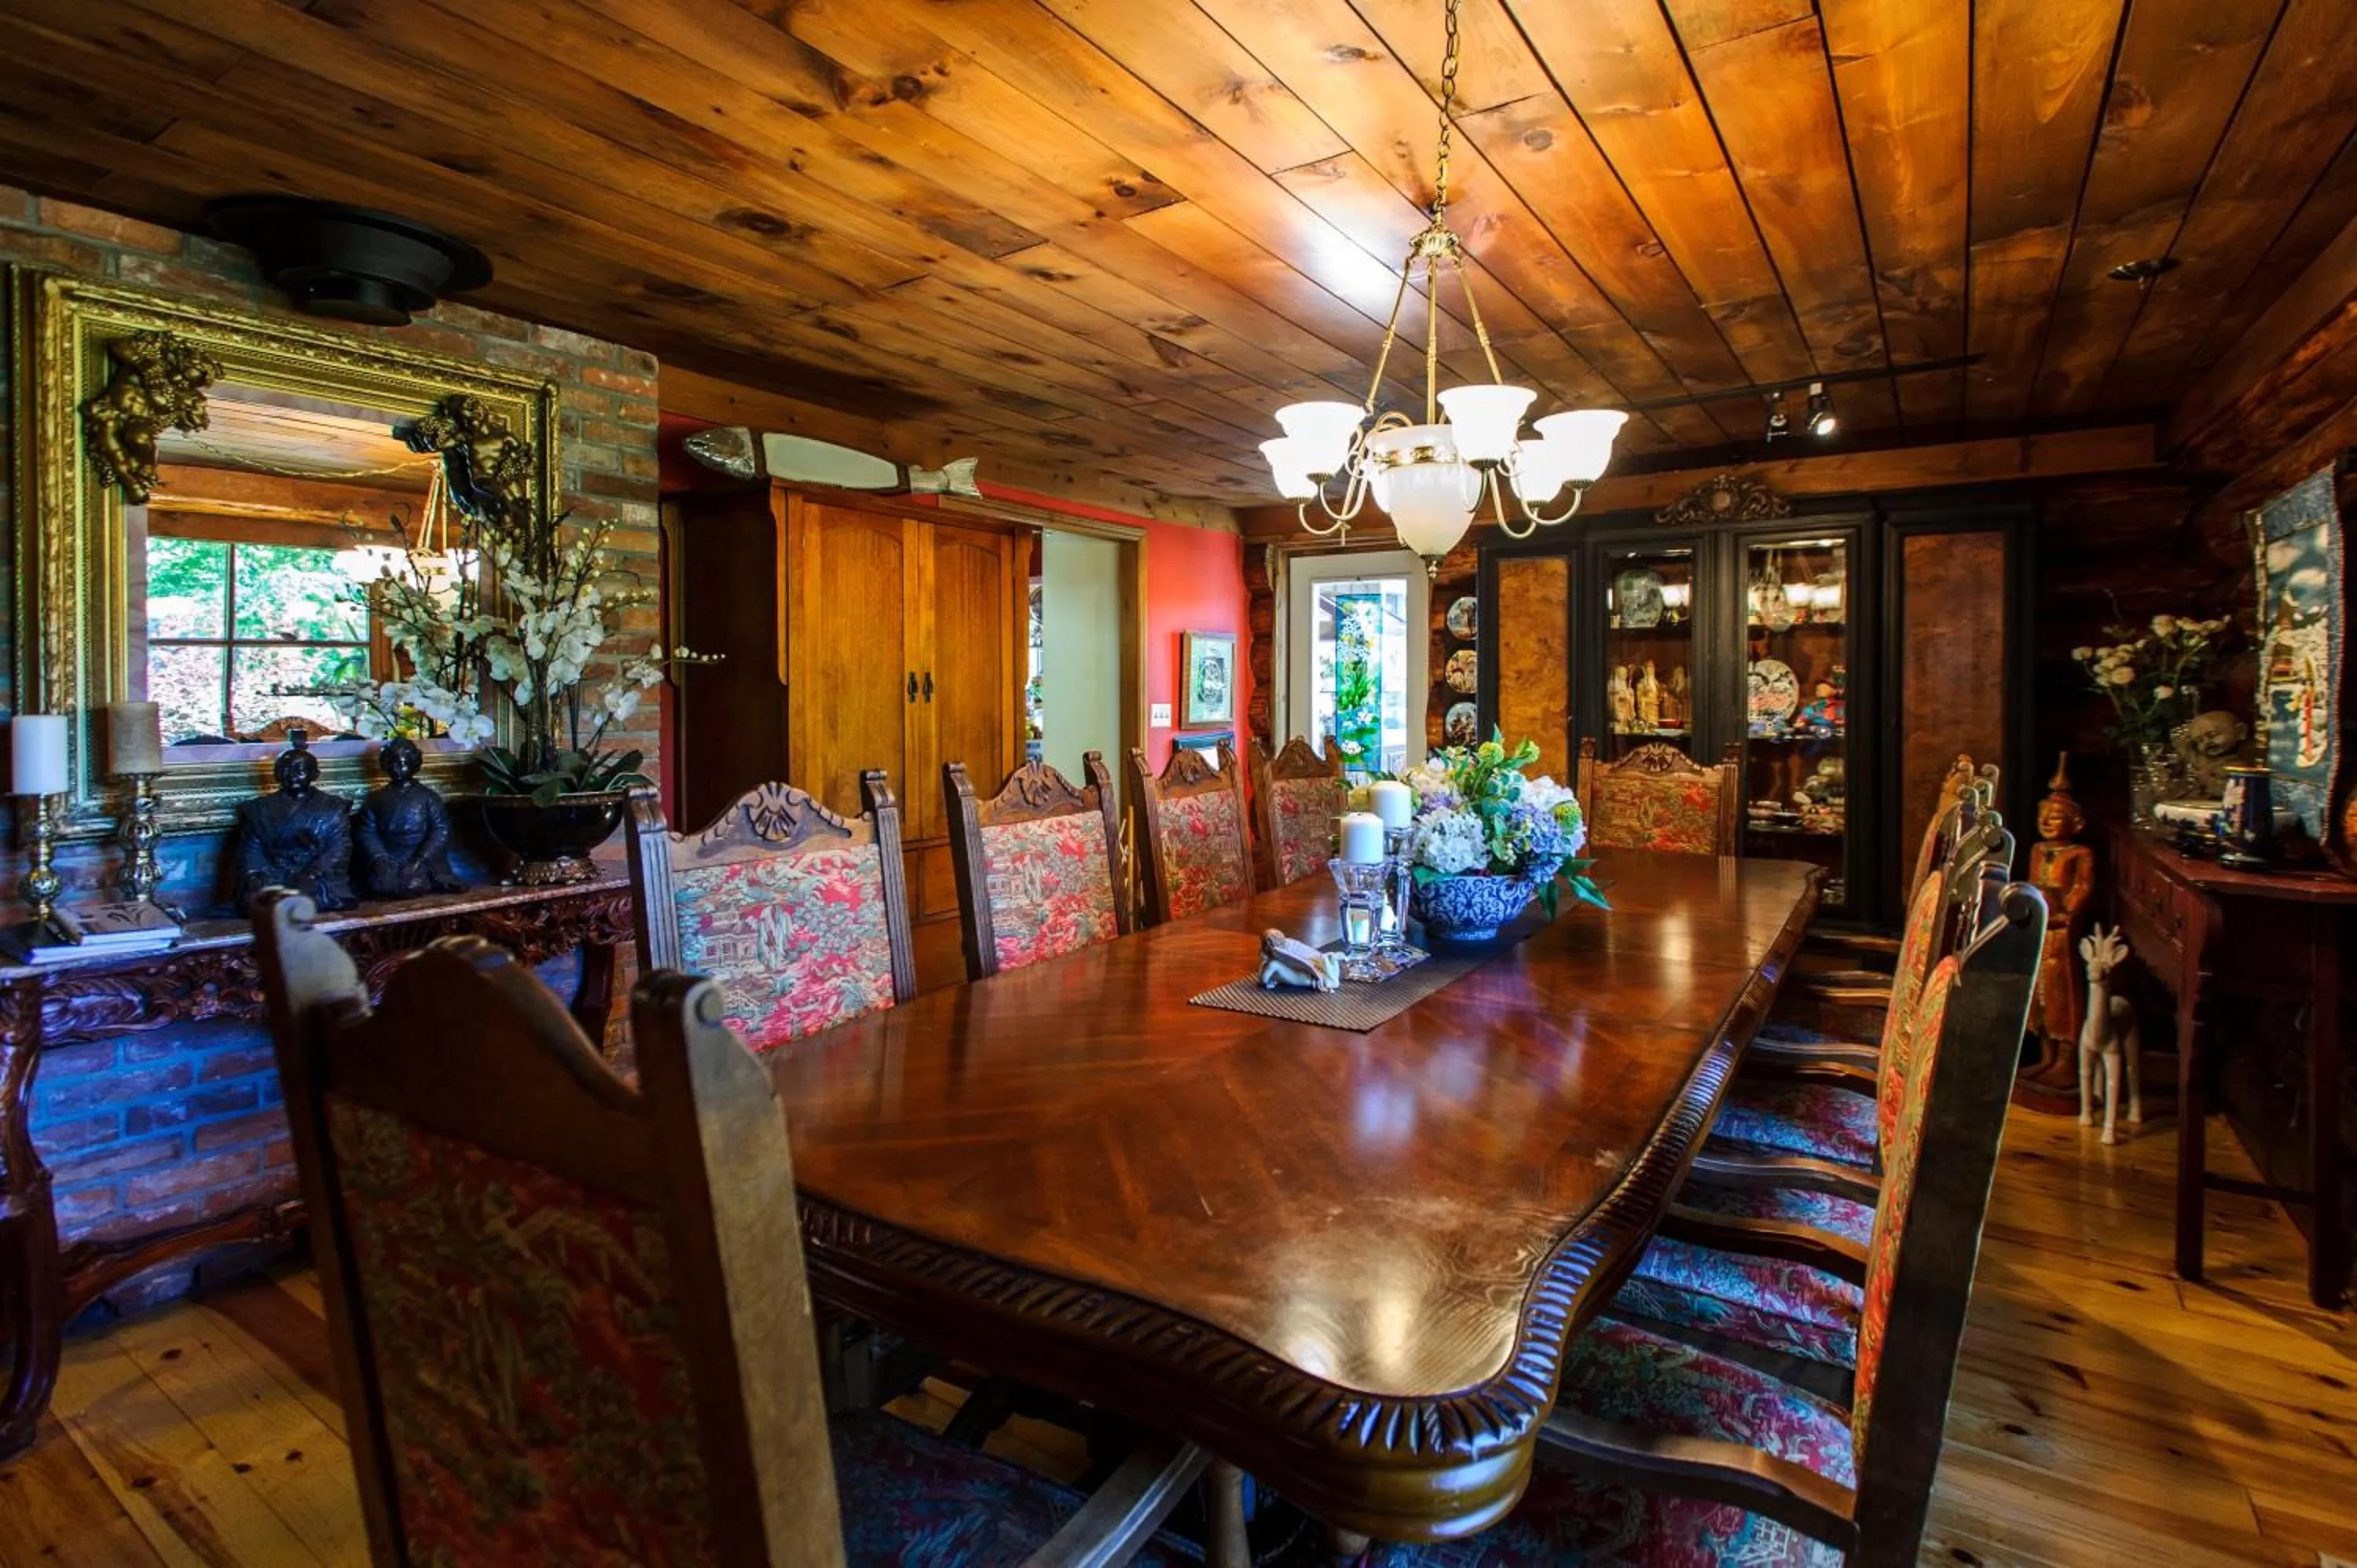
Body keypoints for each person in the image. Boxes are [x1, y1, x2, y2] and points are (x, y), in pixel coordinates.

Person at [231, 729, 356, 914]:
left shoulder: (332, 807)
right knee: (257, 897)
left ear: (314, 775)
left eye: (300, 770)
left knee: (312, 894)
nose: (292, 775)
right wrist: (254, 872)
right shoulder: (260, 808)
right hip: (274, 872)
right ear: (276, 774)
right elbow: (251, 848)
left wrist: (314, 872)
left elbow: (340, 847)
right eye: (285, 770)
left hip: (314, 875)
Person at [355, 736, 463, 899]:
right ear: (385, 764)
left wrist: (421, 859)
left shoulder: (428, 798)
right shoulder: (375, 799)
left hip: (418, 855)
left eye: (403, 764)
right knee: (378, 885)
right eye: (392, 763)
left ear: (414, 765)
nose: (397, 769)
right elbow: (366, 831)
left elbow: (441, 830)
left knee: (414, 883)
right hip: (389, 855)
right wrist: (380, 858)